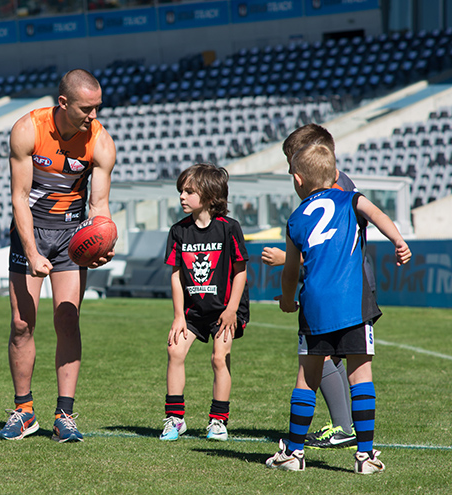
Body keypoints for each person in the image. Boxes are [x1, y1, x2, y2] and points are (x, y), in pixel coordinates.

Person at [265, 143, 411, 474]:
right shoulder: (351, 198)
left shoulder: (296, 218)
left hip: (315, 305)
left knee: (307, 377)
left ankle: (294, 454)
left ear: (298, 180)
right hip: (353, 303)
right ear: (334, 175)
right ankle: (365, 456)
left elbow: (290, 271)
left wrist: (288, 300)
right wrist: (398, 241)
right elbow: (378, 215)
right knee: (361, 375)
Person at [0, 69, 116, 442]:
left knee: (68, 320)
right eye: (87, 108)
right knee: (21, 323)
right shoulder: (27, 130)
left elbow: (99, 205)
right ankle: (24, 411)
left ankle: (64, 414)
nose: (94, 116)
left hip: (71, 235)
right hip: (30, 229)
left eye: (98, 107)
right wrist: (31, 251)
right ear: (63, 103)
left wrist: (105, 242)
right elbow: (19, 197)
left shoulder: (101, 142)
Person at [262, 123, 373, 449]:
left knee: (323, 359)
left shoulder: (338, 191)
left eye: (292, 160)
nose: (289, 169)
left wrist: (287, 259)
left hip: (344, 287)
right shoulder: (337, 189)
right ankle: (347, 429)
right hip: (340, 285)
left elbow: (332, 248)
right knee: (336, 359)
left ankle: (342, 428)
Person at [160, 164, 249, 442]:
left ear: (210, 196)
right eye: (181, 191)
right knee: (174, 351)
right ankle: (175, 419)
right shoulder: (178, 231)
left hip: (225, 310)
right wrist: (178, 316)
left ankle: (218, 421)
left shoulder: (229, 228)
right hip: (192, 311)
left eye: (189, 191)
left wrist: (232, 309)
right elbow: (175, 275)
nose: (182, 197)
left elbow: (240, 271)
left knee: (219, 358)